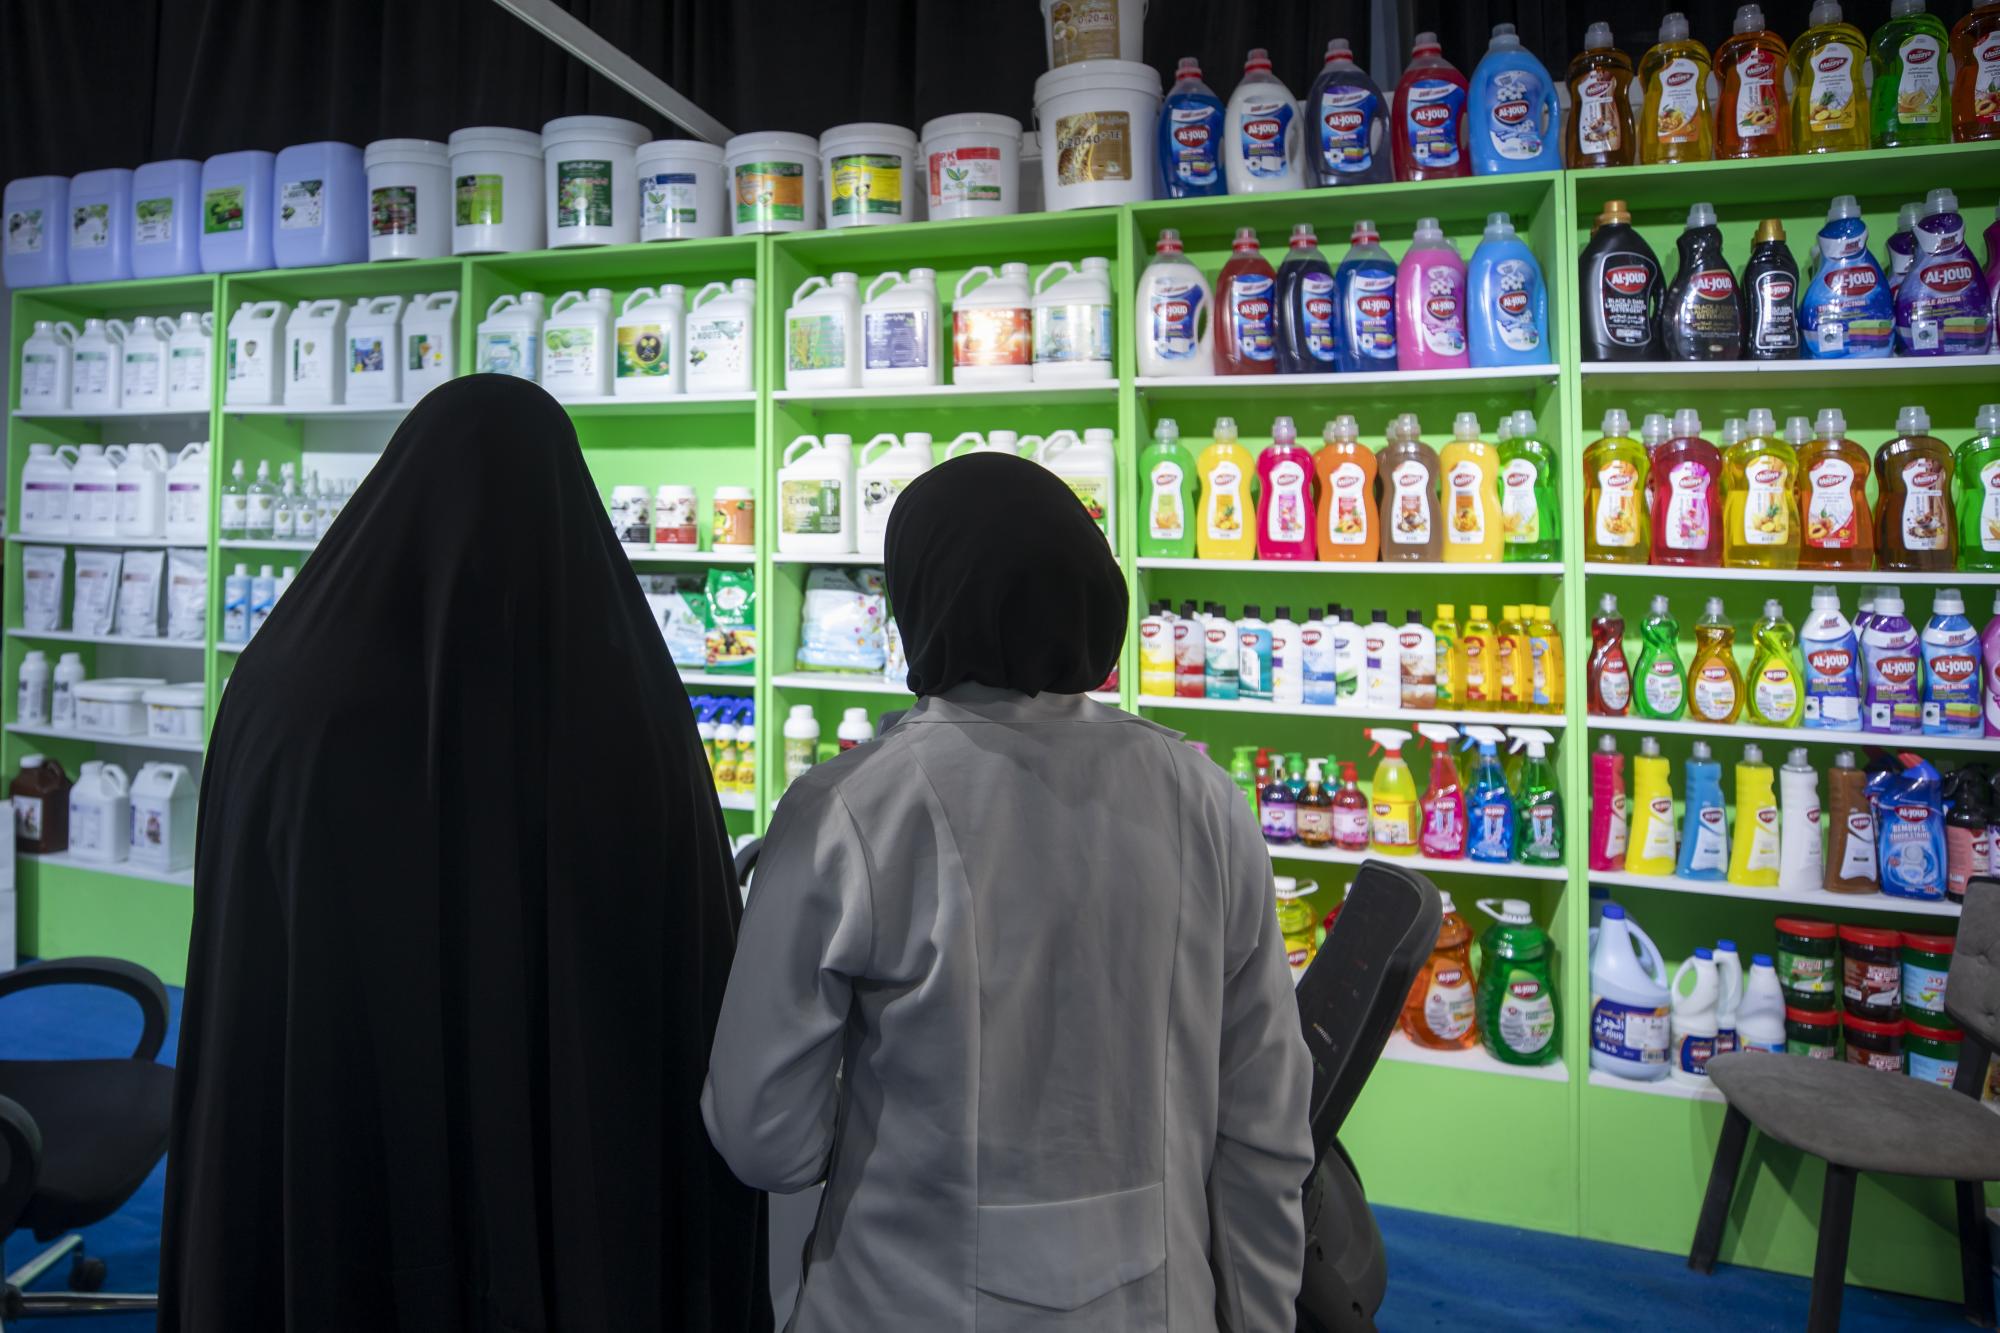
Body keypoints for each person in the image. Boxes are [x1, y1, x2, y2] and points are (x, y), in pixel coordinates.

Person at [159, 376, 769, 1332]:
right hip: (573, 1168)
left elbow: (250, 943)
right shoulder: (628, 703)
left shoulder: (284, 688)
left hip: (337, 1146)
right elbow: (677, 958)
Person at [703, 452, 1312, 1331]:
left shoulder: (848, 808)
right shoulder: (1205, 797)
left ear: (918, 600)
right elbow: (1265, 1122)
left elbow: (763, 1133)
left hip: (898, 1301)